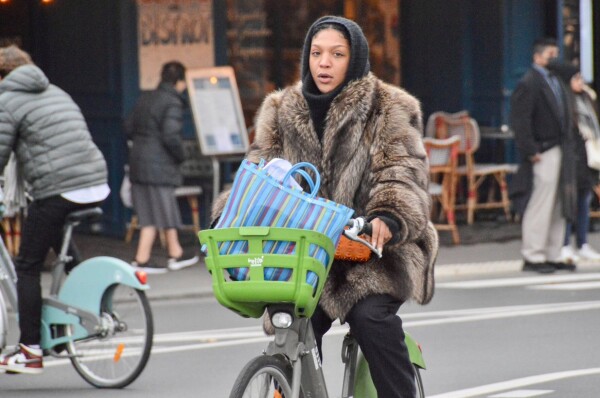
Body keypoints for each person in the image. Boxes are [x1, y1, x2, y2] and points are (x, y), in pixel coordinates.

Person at [211, 16, 437, 398]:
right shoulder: (280, 109)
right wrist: (228, 215)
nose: (324, 63)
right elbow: (255, 174)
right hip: (306, 254)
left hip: (374, 253)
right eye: (317, 53)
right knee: (293, 324)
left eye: (336, 54)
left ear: (355, 58)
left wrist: (387, 216)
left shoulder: (389, 107)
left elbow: (402, 172)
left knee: (370, 319)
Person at [0, 45, 110, 374]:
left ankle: (30, 350)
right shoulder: (55, 90)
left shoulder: (8, 101)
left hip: (58, 188)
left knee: (28, 266)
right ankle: (76, 319)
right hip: (94, 181)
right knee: (58, 244)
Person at [510, 38, 577, 274]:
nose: (555, 59)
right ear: (537, 57)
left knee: (560, 204)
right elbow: (521, 119)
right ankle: (534, 254)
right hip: (544, 150)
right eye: (551, 54)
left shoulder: (556, 79)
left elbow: (572, 70)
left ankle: (553, 252)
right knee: (542, 202)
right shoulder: (530, 82)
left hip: (562, 148)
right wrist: (530, 150)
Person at [125, 61, 198, 273]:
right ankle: (159, 257)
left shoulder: (146, 97)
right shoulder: (172, 102)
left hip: (138, 161)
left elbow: (127, 127)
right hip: (159, 165)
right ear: (179, 82)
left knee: (149, 213)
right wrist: (181, 156)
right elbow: (171, 136)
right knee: (163, 207)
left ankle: (153, 257)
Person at [547, 62, 600, 263]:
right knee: (569, 202)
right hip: (574, 155)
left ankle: (583, 242)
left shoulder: (586, 99)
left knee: (584, 200)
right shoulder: (566, 102)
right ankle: (565, 243)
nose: (581, 82)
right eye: (577, 78)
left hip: (589, 156)